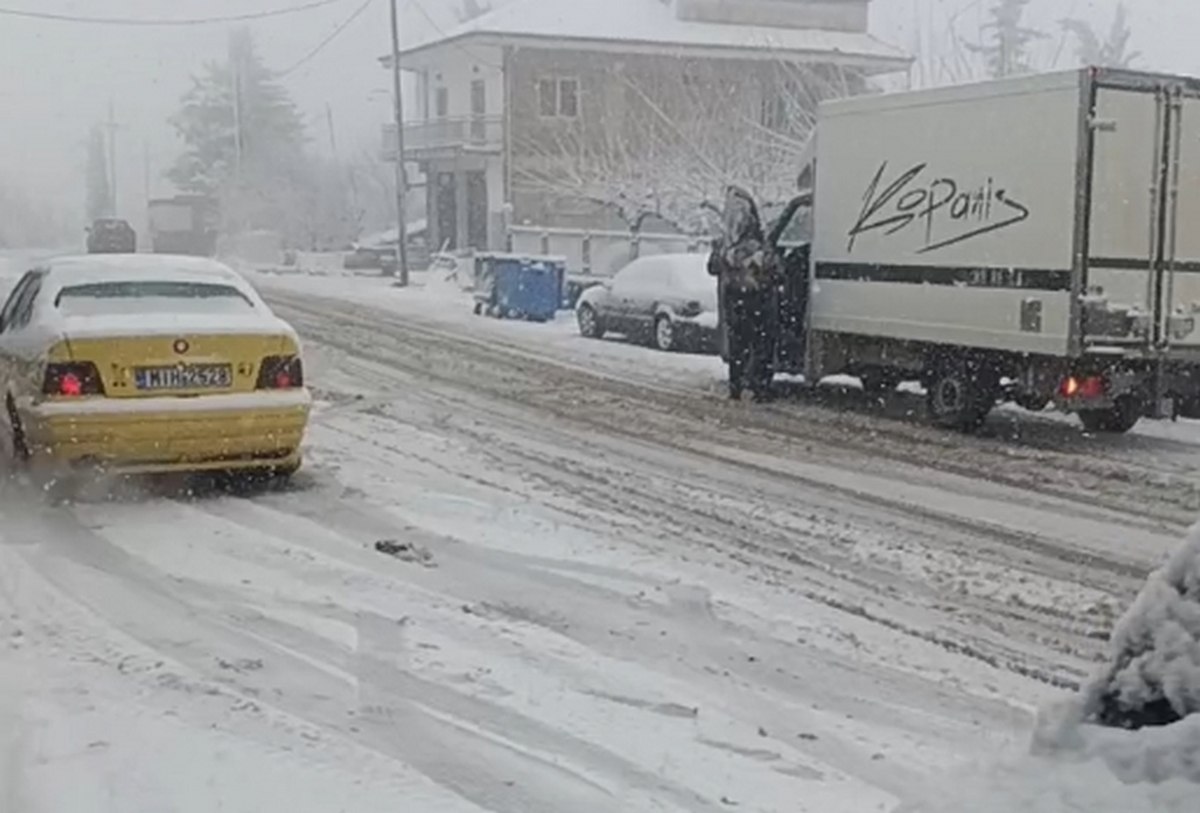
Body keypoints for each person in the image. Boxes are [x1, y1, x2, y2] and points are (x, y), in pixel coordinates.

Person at [708, 186, 782, 401]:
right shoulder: (761, 246)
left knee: (739, 347)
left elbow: (713, 267)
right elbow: (778, 273)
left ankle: (737, 386)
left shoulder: (727, 247)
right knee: (761, 347)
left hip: (736, 303)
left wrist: (723, 255)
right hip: (760, 304)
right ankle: (760, 388)